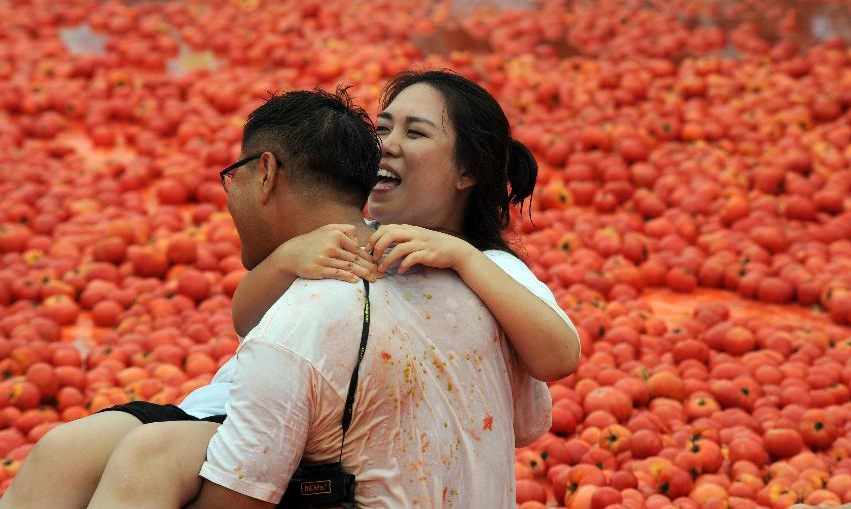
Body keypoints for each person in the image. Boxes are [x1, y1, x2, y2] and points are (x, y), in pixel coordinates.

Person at [1, 71, 579, 507]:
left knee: (147, 460)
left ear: (467, 172)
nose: (388, 143)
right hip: (232, 407)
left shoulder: (492, 267)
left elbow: (558, 356)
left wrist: (462, 257)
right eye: (383, 129)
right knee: (63, 449)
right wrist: (284, 260)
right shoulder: (353, 240)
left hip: (272, 431)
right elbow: (248, 320)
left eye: (416, 131)